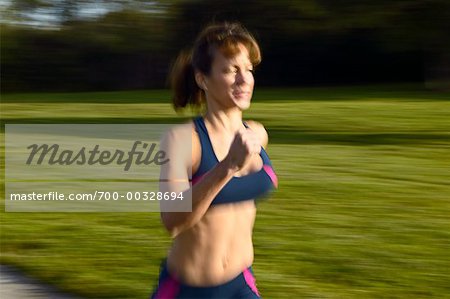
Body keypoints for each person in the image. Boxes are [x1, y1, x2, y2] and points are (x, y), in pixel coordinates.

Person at [151, 22, 278, 299]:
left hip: (240, 284)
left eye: (249, 69)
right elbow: (172, 221)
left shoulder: (256, 134)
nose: (245, 79)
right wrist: (227, 167)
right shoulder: (183, 140)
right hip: (187, 291)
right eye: (232, 70)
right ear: (203, 79)